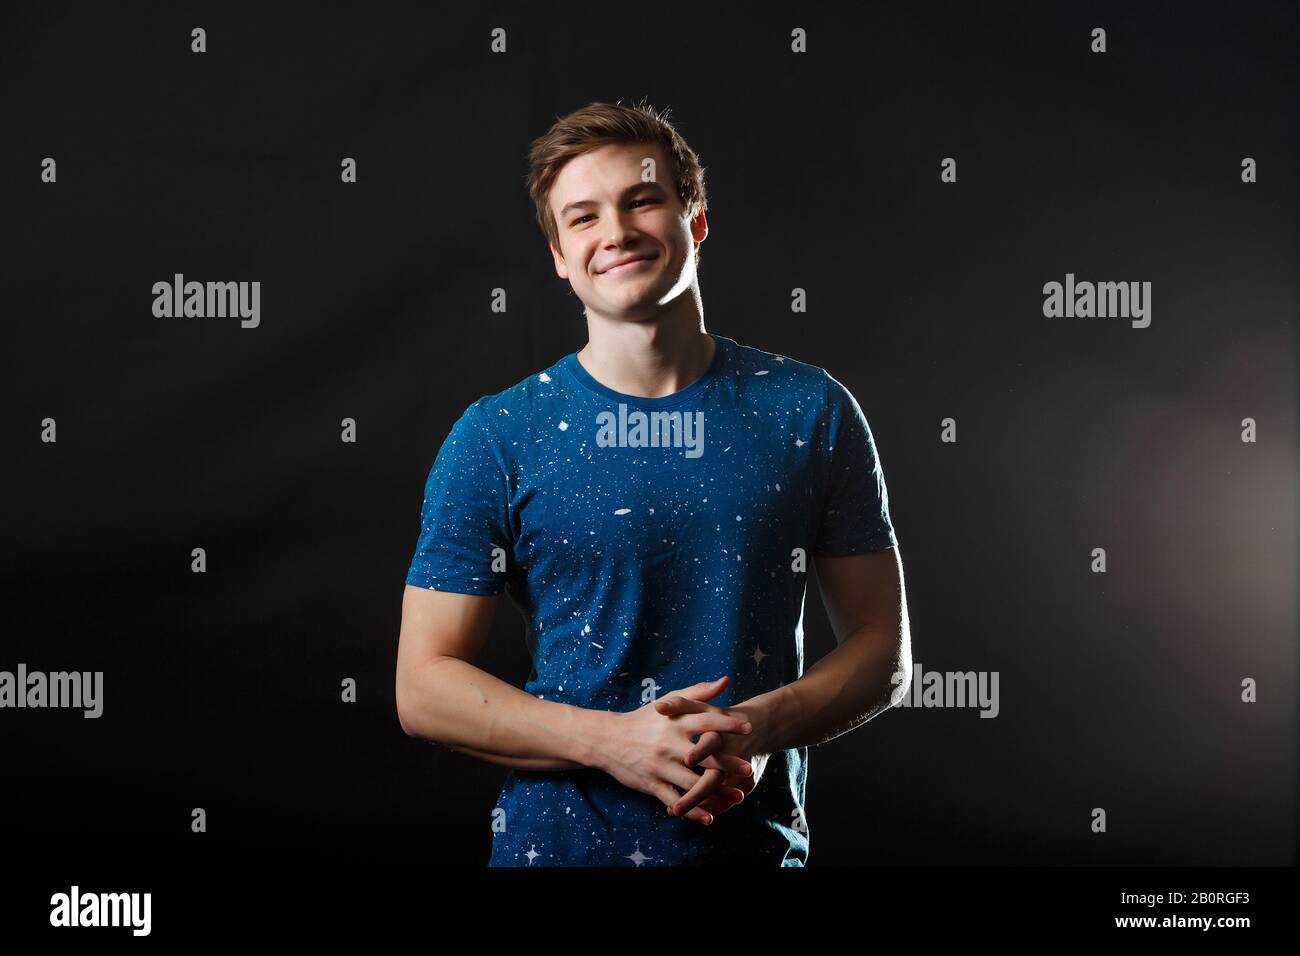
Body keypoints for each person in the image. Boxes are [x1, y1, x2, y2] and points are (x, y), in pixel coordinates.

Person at [395, 100, 912, 866]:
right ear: (560, 258)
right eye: (583, 218)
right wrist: (613, 744)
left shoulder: (810, 410)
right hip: (555, 851)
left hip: (754, 853)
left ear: (694, 221)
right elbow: (422, 686)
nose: (618, 231)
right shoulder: (496, 436)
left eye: (643, 199)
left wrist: (762, 724)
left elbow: (885, 649)